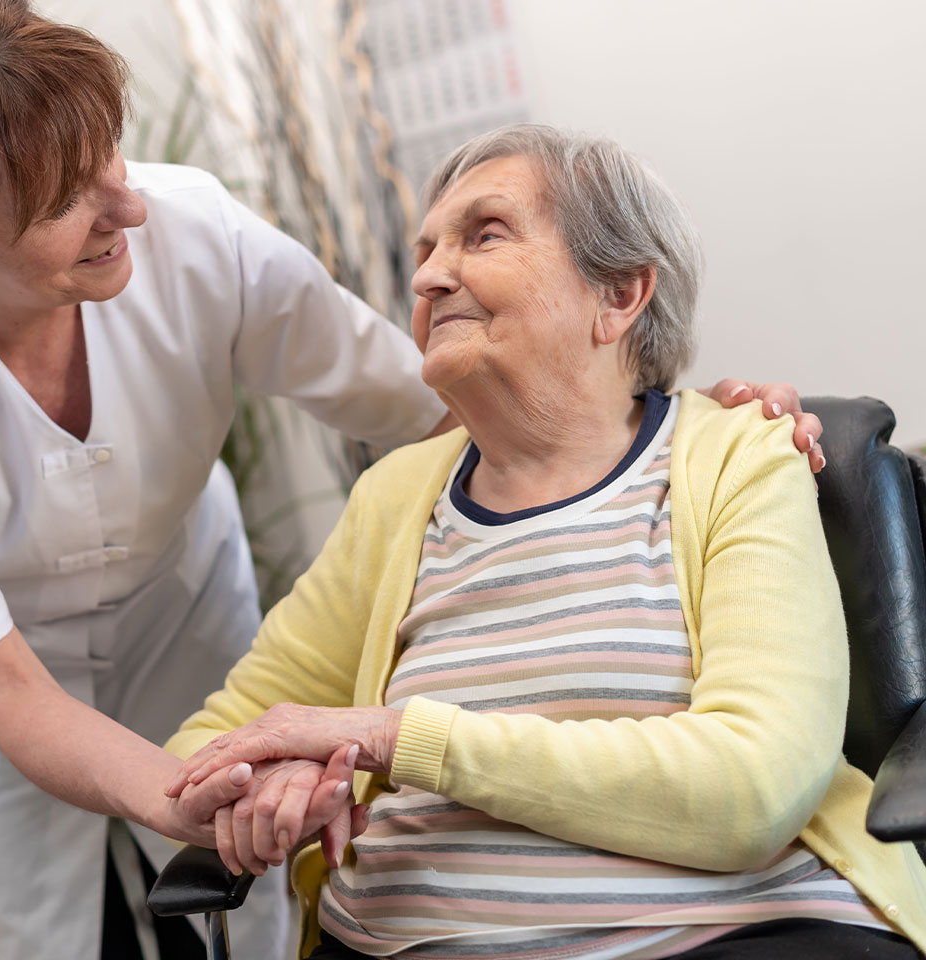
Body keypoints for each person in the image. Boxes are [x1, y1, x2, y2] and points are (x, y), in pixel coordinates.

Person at [0, 1, 825, 956]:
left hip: (175, 596)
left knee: (261, 907)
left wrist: (692, 420)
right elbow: (9, 691)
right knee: (38, 933)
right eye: (63, 199)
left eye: (112, 157)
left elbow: (429, 392)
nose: (128, 208)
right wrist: (195, 791)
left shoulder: (199, 233)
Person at [164, 123, 926, 960]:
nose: (427, 275)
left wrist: (398, 738)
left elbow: (752, 788)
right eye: (425, 250)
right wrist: (277, 776)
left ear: (621, 295)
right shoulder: (394, 501)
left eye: (484, 235)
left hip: (729, 933)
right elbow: (221, 738)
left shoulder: (739, 457)